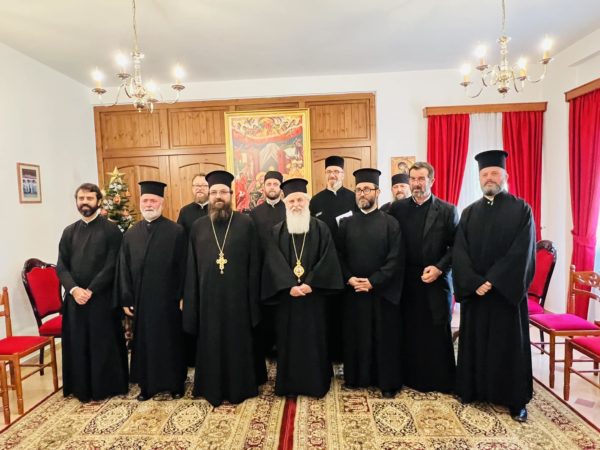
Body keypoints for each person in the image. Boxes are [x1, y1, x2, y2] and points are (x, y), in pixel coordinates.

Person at [453, 150, 535, 422]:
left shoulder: (521, 209)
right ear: (479, 178)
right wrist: (474, 282)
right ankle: (472, 390)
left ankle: (515, 400)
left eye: (494, 173)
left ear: (505, 176)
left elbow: (522, 252)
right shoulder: (469, 212)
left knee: (508, 347)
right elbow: (460, 252)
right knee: (476, 342)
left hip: (504, 295)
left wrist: (492, 280)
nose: (489, 178)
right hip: (477, 294)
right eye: (485, 174)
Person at [183, 170, 265, 407]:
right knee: (211, 342)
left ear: (231, 194)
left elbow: (255, 264)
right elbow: (191, 266)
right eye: (214, 192)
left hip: (238, 298)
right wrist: (192, 300)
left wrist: (253, 300)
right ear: (209, 195)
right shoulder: (198, 226)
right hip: (208, 299)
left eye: (223, 192)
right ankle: (211, 387)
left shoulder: (246, 223)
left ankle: (241, 386)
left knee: (238, 342)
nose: (218, 196)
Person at [262, 178, 344, 398]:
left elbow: (328, 259)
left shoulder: (321, 228)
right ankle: (289, 385)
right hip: (287, 299)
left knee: (314, 340)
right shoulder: (277, 231)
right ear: (285, 203)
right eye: (291, 201)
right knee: (288, 341)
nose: (296, 205)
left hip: (313, 297)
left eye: (300, 200)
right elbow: (273, 261)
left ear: (307, 202)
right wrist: (289, 285)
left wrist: (311, 283)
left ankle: (316, 384)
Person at [388, 162, 457, 393]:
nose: (416, 183)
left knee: (435, 330)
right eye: (413, 179)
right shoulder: (397, 209)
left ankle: (439, 380)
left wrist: (439, 268)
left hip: (434, 279)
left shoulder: (447, 210)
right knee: (409, 329)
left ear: (431, 181)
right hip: (406, 280)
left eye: (421, 179)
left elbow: (456, 247)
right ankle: (409, 377)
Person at [115, 181, 187, 401]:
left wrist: (183, 295)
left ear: (161, 203)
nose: (149, 204)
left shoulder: (176, 231)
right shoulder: (130, 234)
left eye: (153, 200)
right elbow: (123, 268)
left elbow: (184, 266)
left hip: (169, 300)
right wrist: (126, 298)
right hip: (142, 300)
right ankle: (147, 386)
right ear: (140, 203)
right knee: (145, 344)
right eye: (145, 200)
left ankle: (175, 384)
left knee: (170, 342)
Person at [57, 183, 128, 402]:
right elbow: (61, 266)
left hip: (102, 298)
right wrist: (74, 289)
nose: (84, 202)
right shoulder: (69, 232)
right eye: (81, 198)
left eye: (89, 198)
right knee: (77, 344)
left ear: (98, 201)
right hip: (75, 299)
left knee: (102, 344)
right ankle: (80, 387)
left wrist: (91, 290)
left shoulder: (111, 230)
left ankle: (105, 386)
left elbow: (113, 264)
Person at [336, 169, 404, 397]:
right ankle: (356, 378)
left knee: (383, 338)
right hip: (354, 292)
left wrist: (373, 281)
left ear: (377, 192)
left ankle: (386, 383)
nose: (362, 193)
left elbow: (395, 258)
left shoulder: (391, 223)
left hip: (381, 293)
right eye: (358, 190)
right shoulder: (346, 223)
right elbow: (339, 256)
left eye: (367, 189)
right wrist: (349, 278)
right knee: (356, 337)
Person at [309, 155, 356, 363]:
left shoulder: (354, 198)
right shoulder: (316, 201)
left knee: (347, 311)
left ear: (343, 174)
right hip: (324, 264)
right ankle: (329, 354)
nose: (333, 175)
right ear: (325, 174)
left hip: (349, 262)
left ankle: (346, 354)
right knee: (327, 311)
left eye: (336, 171)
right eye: (329, 172)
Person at [249, 170, 286, 360]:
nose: (272, 187)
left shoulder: (289, 209)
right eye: (269, 184)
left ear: (281, 188)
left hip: (286, 273)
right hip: (263, 273)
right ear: (263, 187)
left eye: (275, 184)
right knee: (265, 316)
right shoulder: (254, 213)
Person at [176, 173, 209, 367]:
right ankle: (193, 357)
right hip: (191, 269)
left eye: (203, 186)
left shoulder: (217, 209)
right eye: (196, 185)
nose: (200, 189)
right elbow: (180, 242)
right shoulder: (185, 212)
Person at [177, 173, 209, 238]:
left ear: (210, 188)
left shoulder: (217, 209)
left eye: (204, 185)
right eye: (196, 185)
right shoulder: (184, 211)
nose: (199, 188)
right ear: (192, 188)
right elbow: (179, 236)